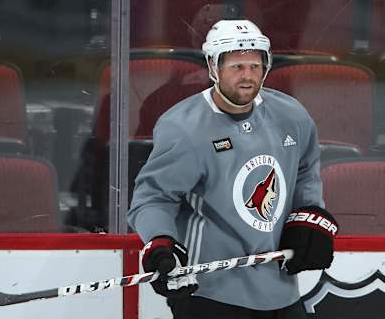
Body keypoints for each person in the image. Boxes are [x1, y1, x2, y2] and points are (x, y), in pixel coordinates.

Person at [127, 19, 339, 319]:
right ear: (213, 67)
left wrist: (310, 213)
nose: (247, 76)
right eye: (237, 67)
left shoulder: (291, 116)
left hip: (280, 288)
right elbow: (153, 198)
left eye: (255, 66)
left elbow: (305, 170)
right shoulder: (184, 128)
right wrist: (161, 242)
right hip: (210, 292)